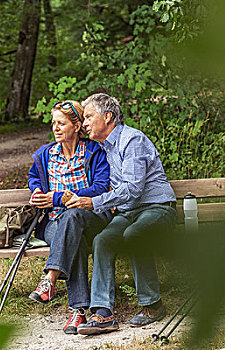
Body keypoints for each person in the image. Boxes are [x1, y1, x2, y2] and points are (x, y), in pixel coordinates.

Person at [64, 93, 177, 335]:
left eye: (88, 117)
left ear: (108, 117)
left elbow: (133, 188)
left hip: (157, 208)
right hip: (128, 212)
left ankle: (153, 306)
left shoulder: (131, 140)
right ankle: (103, 313)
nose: (84, 123)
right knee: (102, 240)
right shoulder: (102, 148)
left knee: (135, 234)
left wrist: (95, 202)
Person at [27, 100, 111, 335]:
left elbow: (101, 187)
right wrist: (35, 190)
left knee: (73, 215)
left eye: (61, 123)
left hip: (91, 216)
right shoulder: (46, 154)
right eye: (53, 123)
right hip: (53, 223)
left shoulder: (93, 152)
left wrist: (59, 198)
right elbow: (33, 177)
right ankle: (78, 312)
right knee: (75, 240)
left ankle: (50, 279)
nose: (55, 128)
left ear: (76, 126)